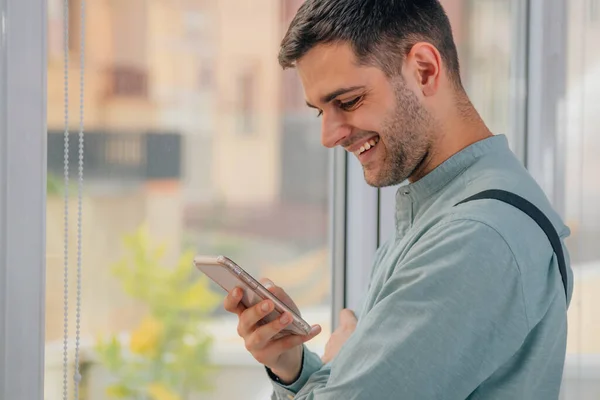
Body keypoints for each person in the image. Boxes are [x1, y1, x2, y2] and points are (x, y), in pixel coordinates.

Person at [223, 0, 574, 399]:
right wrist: (294, 366)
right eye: (321, 111)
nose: (329, 136)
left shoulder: (475, 237)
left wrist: (344, 359)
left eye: (349, 101)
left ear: (424, 70)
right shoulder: (442, 213)